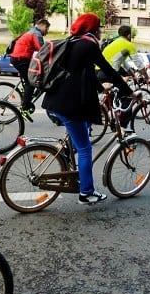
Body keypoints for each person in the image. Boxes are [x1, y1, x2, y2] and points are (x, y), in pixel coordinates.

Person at [44, 13, 134, 205]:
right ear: (94, 28)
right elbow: (108, 69)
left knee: (84, 130)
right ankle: (86, 193)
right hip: (70, 104)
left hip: (56, 100)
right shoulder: (89, 44)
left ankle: (68, 157)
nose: (101, 30)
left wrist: (102, 88)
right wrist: (130, 92)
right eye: (99, 27)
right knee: (85, 149)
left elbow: (85, 72)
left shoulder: (74, 42)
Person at [9, 18, 50, 118]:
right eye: (47, 29)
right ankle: (24, 109)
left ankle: (26, 95)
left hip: (20, 59)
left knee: (33, 78)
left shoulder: (32, 31)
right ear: (43, 26)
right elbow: (43, 51)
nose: (47, 32)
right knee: (31, 83)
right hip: (20, 59)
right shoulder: (37, 34)